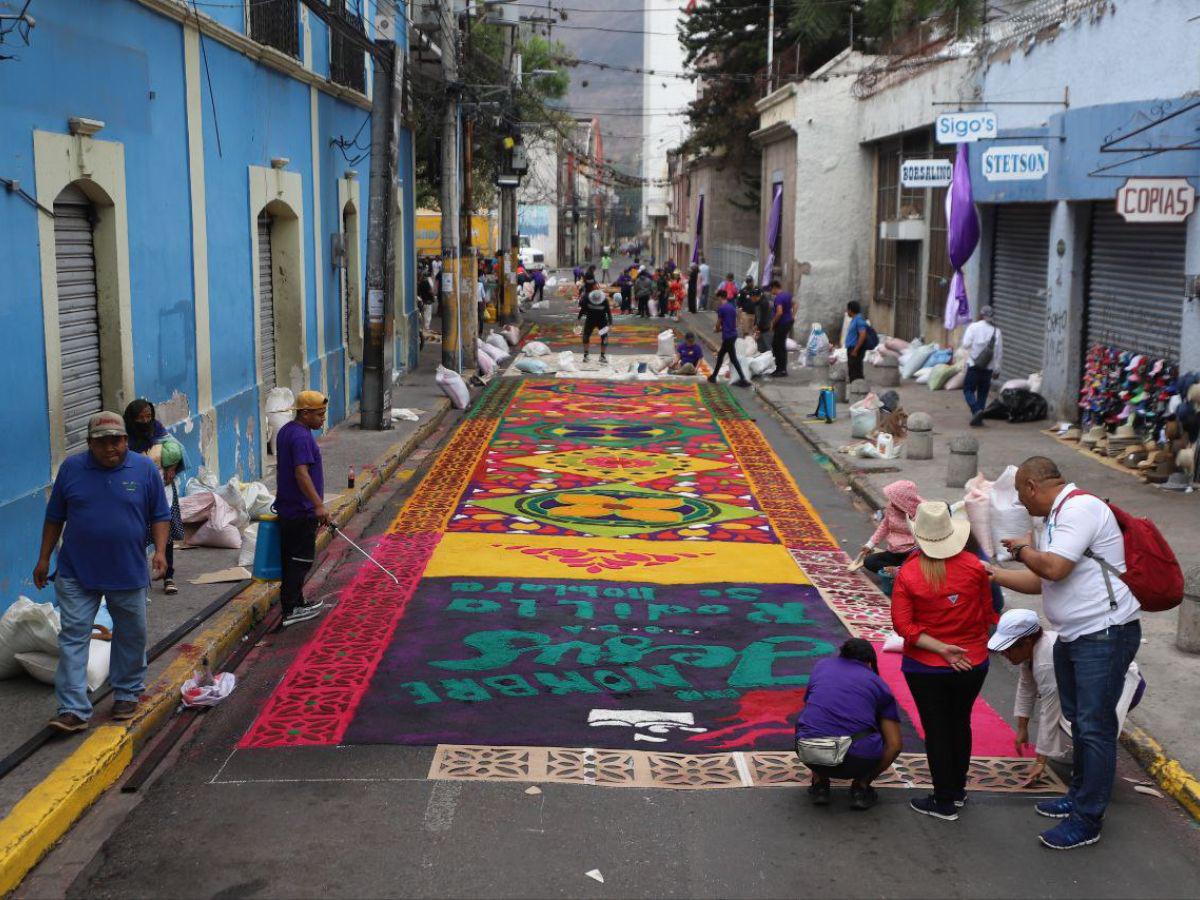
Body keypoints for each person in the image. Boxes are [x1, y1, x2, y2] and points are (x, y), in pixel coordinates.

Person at [988, 456, 1142, 850]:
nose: (1022, 506)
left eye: (1022, 498)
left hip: (1103, 635)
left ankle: (1088, 818)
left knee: (1094, 727)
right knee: (1078, 720)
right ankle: (1078, 795)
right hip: (1075, 634)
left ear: (1032, 487)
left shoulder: (1080, 509)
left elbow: (1052, 568)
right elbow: (1043, 583)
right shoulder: (1053, 517)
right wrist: (991, 574)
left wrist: (1023, 550)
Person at [33, 411, 170, 732]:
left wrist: (161, 552)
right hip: (76, 571)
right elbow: (55, 518)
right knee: (73, 637)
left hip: (127, 570)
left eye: (117, 441)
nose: (111, 448)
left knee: (131, 634)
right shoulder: (72, 469)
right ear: (90, 444)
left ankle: (127, 692)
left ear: (126, 440)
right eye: (103, 442)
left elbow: (160, 515)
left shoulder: (144, 469)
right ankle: (72, 708)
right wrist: (43, 560)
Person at [891, 501, 998, 821]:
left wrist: (940, 647)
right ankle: (958, 790)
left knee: (937, 729)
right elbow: (987, 612)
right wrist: (965, 643)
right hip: (972, 661)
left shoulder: (909, 573)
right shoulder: (976, 566)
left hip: (926, 666)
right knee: (959, 723)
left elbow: (903, 627)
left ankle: (943, 800)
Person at [988, 608, 1145, 789]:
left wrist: (1040, 761)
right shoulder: (1033, 651)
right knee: (1077, 722)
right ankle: (1087, 768)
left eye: (1007, 650)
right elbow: (1026, 687)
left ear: (1026, 642)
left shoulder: (1046, 661)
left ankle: (1093, 782)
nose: (1004, 655)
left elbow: (1050, 712)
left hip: (1124, 684)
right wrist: (1022, 728)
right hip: (1097, 684)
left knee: (1087, 728)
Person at [796, 638, 904, 810]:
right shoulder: (879, 684)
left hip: (811, 753)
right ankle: (860, 787)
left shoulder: (822, 666)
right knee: (883, 729)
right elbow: (895, 745)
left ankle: (820, 784)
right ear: (870, 663)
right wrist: (867, 778)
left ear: (842, 654)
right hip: (859, 760)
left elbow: (811, 704)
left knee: (810, 720)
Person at [275, 391, 331, 628]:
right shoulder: (301, 438)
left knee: (291, 559)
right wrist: (318, 505)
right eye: (319, 415)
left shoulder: (288, 431)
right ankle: (290, 608)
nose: (322, 419)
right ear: (305, 413)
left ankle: (297, 601)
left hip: (288, 508)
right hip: (300, 510)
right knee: (301, 560)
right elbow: (301, 472)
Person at [859, 480, 922, 576]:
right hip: (893, 552)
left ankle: (900, 572)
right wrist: (869, 545)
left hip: (913, 553)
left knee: (916, 569)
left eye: (894, 501)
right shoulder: (891, 507)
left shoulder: (922, 511)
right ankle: (899, 572)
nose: (891, 503)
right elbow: (884, 526)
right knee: (869, 561)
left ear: (903, 501)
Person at [149, 438, 187, 596]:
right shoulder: (126, 439)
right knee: (135, 537)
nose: (144, 420)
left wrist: (172, 467)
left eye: (147, 416)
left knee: (167, 535)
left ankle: (168, 576)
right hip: (138, 493)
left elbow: (177, 450)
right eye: (140, 417)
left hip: (164, 490)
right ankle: (138, 583)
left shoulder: (159, 434)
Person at [960, 305, 1003, 427]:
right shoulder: (997, 331)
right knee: (983, 393)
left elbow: (966, 344)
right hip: (988, 368)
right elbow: (999, 353)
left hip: (974, 365)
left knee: (968, 389)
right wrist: (997, 369)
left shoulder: (973, 327)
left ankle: (976, 410)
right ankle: (978, 417)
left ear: (980, 315)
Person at [708, 290, 750, 387]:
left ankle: (743, 379)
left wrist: (717, 329)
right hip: (733, 334)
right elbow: (735, 323)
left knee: (730, 358)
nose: (717, 301)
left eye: (718, 298)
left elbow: (718, 323)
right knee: (724, 356)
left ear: (720, 297)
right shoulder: (732, 307)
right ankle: (714, 376)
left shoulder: (721, 308)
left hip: (727, 336)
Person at [578, 288, 613, 364]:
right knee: (586, 336)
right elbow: (583, 308)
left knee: (605, 338)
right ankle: (586, 355)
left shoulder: (605, 301)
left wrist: (610, 324)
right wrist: (579, 318)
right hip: (590, 320)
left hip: (602, 321)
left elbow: (609, 313)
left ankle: (602, 356)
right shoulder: (588, 299)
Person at [768, 280, 794, 376]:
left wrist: (773, 323)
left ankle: (780, 369)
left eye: (771, 289)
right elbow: (795, 303)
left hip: (782, 323)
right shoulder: (787, 295)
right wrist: (793, 315)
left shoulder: (778, 298)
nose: (771, 291)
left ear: (775, 287)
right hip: (788, 322)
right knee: (781, 345)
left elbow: (779, 312)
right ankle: (782, 369)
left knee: (777, 345)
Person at [845, 300, 869, 384]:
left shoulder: (859, 320)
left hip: (855, 349)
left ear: (851, 310)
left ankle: (858, 391)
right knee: (852, 371)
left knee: (856, 372)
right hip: (852, 348)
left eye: (847, 309)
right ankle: (855, 391)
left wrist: (855, 350)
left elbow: (863, 335)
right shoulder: (855, 319)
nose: (846, 311)